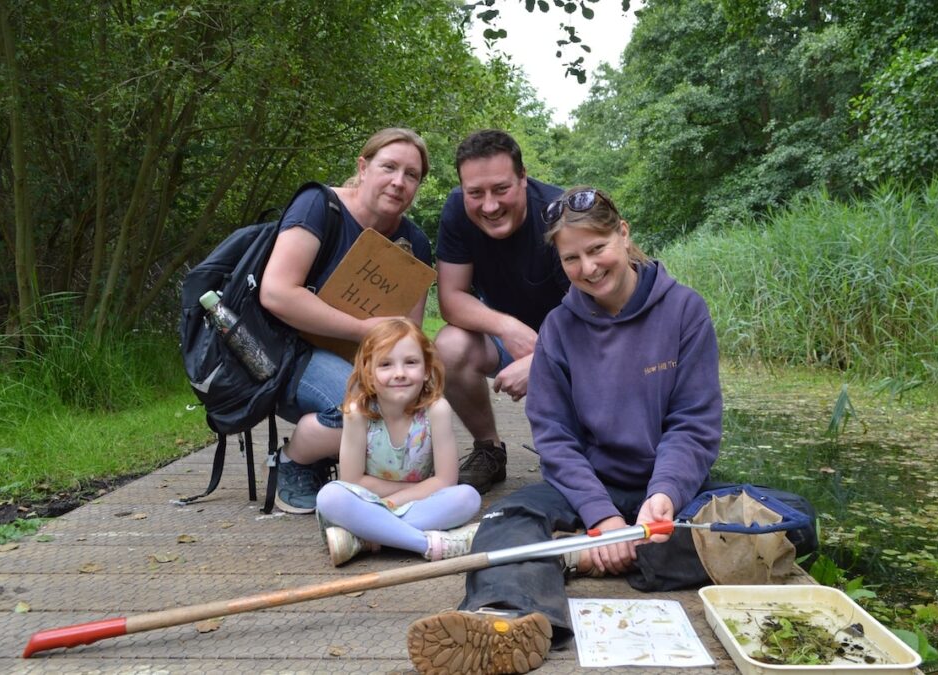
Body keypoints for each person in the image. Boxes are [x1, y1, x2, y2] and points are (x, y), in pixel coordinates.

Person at [406, 187, 817, 674]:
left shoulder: (685, 310)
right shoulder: (559, 327)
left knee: (794, 522)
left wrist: (662, 496)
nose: (589, 268)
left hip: (667, 496)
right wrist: (600, 517)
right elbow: (555, 438)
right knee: (506, 518)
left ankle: (570, 557)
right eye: (572, 258)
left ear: (623, 235)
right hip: (586, 488)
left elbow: (693, 425)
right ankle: (507, 618)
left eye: (597, 248)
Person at [260, 128, 434, 514]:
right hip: (285, 351)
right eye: (388, 167)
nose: (398, 181)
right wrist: (362, 329)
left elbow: (410, 336)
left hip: (360, 361)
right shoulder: (319, 206)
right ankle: (295, 459)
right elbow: (275, 292)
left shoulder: (416, 243)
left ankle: (362, 477)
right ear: (363, 166)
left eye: (411, 175)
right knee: (364, 406)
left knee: (411, 398)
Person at [434, 130, 568, 494]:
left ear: (523, 178)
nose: (489, 206)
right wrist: (506, 326)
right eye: (475, 193)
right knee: (449, 347)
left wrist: (544, 357)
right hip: (508, 339)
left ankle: (580, 451)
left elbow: (599, 317)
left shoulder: (560, 214)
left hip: (576, 341)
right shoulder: (457, 212)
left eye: (501, 189)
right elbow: (451, 297)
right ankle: (489, 450)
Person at [313, 318, 482, 566]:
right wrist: (390, 502)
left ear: (426, 370)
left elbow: (446, 481)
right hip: (367, 505)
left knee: (467, 498)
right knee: (330, 496)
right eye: (385, 365)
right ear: (368, 372)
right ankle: (427, 545)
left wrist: (395, 502)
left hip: (415, 504)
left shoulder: (436, 410)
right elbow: (352, 481)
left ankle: (364, 539)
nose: (400, 373)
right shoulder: (357, 412)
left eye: (411, 363)